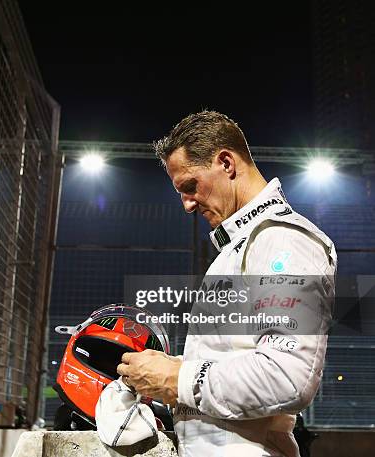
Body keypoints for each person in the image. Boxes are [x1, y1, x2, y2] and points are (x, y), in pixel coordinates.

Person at [116, 111, 337, 456]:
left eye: (190, 186)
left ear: (226, 163)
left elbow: (288, 376)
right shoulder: (241, 247)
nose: (187, 204)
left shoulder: (282, 239)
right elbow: (233, 362)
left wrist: (175, 380)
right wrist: (170, 372)